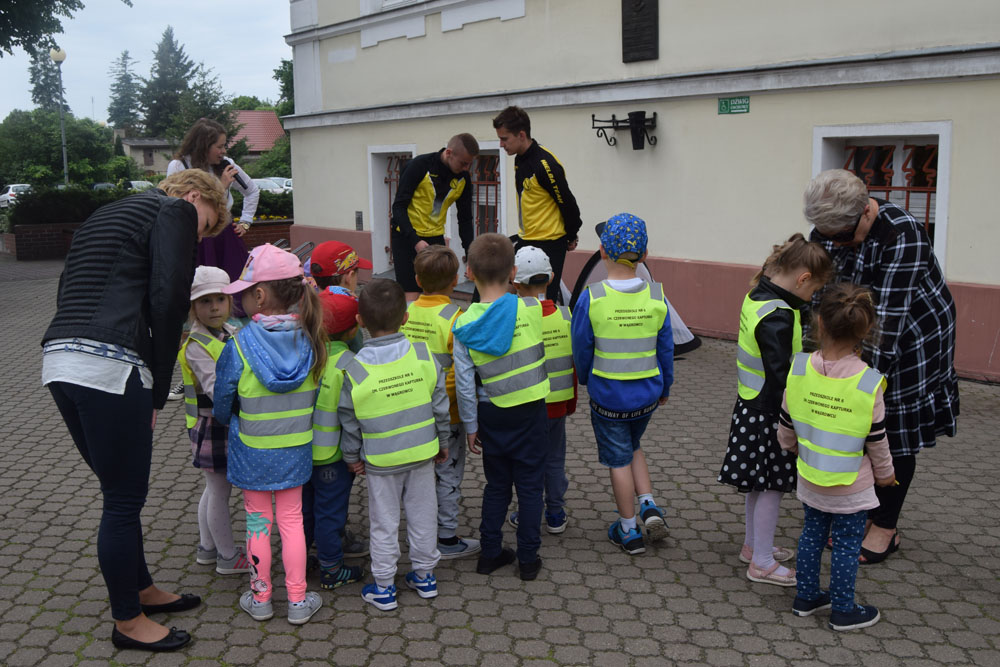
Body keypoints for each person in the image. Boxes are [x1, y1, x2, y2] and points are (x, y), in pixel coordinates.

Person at [42, 169, 230, 652]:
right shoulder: (175, 210)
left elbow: (68, 286)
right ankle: (127, 621)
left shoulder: (108, 214)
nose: (199, 238)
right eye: (205, 226)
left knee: (118, 491)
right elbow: (169, 300)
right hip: (110, 364)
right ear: (194, 196)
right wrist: (157, 389)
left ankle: (142, 589)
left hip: (60, 360)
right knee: (123, 500)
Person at [803, 169, 959, 564]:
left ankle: (886, 527)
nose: (834, 243)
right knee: (856, 426)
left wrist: (859, 381)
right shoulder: (828, 229)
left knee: (893, 430)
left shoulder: (901, 234)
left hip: (913, 338)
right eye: (828, 236)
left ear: (866, 212)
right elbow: (819, 296)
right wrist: (817, 358)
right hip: (853, 332)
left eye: (841, 236)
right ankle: (865, 508)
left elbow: (887, 321)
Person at [213, 244, 326, 626]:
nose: (240, 299)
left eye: (244, 292)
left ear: (259, 295)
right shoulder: (312, 339)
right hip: (296, 447)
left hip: (252, 449)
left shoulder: (238, 345)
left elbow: (223, 399)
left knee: (258, 520)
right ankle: (298, 600)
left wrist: (227, 418)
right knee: (292, 521)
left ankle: (260, 598)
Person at [717, 234, 833, 586]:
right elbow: (782, 374)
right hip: (771, 413)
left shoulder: (758, 296)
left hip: (751, 406)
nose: (811, 298)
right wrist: (801, 414)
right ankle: (762, 563)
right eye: (814, 290)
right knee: (771, 487)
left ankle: (754, 547)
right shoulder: (778, 316)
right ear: (803, 278)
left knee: (759, 483)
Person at [779, 284, 896, 631]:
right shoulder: (868, 382)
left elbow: (786, 424)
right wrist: (886, 475)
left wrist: (791, 446)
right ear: (866, 330)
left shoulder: (799, 368)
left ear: (819, 323)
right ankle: (843, 610)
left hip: (810, 477)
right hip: (851, 486)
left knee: (811, 535)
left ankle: (806, 597)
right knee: (846, 545)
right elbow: (877, 440)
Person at [338, 279, 451, 611]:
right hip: (421, 454)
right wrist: (443, 441)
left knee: (384, 522)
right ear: (405, 317)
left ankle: (385, 587)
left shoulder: (353, 368)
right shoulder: (423, 354)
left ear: (360, 321)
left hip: (380, 460)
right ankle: (425, 577)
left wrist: (351, 456)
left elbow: (349, 420)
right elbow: (440, 405)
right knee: (424, 515)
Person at [570, 213, 672, 555]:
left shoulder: (592, 297)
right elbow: (666, 350)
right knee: (633, 445)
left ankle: (628, 530)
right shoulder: (656, 296)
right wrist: (665, 387)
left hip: (608, 399)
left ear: (602, 251)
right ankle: (648, 504)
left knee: (618, 460)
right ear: (644, 255)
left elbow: (581, 347)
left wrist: (585, 378)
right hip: (646, 396)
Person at [453, 234, 550, 580]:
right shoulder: (532, 308)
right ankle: (528, 560)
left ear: (468, 272)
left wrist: (470, 426)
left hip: (491, 413)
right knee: (530, 487)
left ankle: (490, 553)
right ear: (513, 273)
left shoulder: (463, 325)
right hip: (532, 411)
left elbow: (465, 384)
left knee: (496, 486)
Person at [400, 245, 481, 559]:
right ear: (456, 280)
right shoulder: (457, 318)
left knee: (418, 473)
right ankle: (446, 538)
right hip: (448, 412)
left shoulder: (404, 312)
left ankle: (419, 531)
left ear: (418, 280)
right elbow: (463, 372)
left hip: (410, 407)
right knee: (448, 473)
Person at [177, 266, 250, 576]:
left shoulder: (230, 331)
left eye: (220, 299)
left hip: (223, 423)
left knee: (213, 489)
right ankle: (227, 556)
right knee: (220, 491)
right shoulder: (196, 345)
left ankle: (207, 548)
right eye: (205, 302)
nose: (215, 307)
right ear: (194, 307)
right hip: (213, 426)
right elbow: (214, 388)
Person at [507, 245, 577, 534]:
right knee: (555, 459)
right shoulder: (566, 316)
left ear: (514, 281)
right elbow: (572, 364)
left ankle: (528, 512)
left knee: (527, 461)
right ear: (550, 278)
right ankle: (556, 513)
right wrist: (571, 403)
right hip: (557, 406)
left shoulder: (513, 318)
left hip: (524, 406)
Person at [304, 291, 366, 591]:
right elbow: (355, 416)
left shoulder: (303, 355)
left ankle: (298, 561)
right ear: (353, 329)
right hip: (334, 457)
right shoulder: (352, 364)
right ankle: (331, 569)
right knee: (329, 513)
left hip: (299, 452)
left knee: (303, 512)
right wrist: (356, 454)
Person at [493, 105, 582, 303]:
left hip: (550, 243)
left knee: (542, 303)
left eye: (504, 139)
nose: (501, 144)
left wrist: (571, 234)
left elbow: (568, 204)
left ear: (521, 135)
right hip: (527, 239)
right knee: (505, 292)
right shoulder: (520, 159)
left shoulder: (545, 164)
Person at [167, 117, 261, 282]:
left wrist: (245, 222)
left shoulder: (227, 165)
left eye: (224, 146)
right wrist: (221, 186)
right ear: (203, 146)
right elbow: (174, 204)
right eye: (219, 146)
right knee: (199, 285)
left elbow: (252, 191)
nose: (223, 151)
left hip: (224, 235)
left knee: (235, 283)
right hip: (194, 236)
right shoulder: (179, 166)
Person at [390, 134, 480, 294]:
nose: (466, 168)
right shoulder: (419, 166)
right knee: (411, 294)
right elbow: (398, 207)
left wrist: (470, 255)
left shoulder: (464, 178)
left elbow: (465, 219)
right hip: (406, 237)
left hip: (435, 239)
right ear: (449, 153)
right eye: (463, 163)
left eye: (470, 164)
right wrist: (415, 241)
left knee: (438, 292)